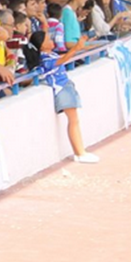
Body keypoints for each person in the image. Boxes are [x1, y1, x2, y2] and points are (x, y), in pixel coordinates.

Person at [30, 30, 99, 164]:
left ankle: (80, 151)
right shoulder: (46, 59)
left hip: (66, 87)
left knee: (75, 120)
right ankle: (79, 153)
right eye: (48, 39)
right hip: (61, 90)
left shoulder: (52, 54)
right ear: (42, 46)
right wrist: (76, 47)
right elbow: (64, 58)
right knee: (73, 121)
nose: (52, 40)